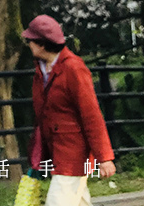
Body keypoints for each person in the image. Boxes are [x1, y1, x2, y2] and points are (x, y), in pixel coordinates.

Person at [25, 14, 116, 206]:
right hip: (56, 149)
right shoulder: (41, 70)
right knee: (78, 201)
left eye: (30, 40)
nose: (28, 44)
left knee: (58, 202)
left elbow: (91, 114)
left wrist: (104, 157)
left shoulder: (74, 68)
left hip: (73, 152)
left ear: (42, 44)